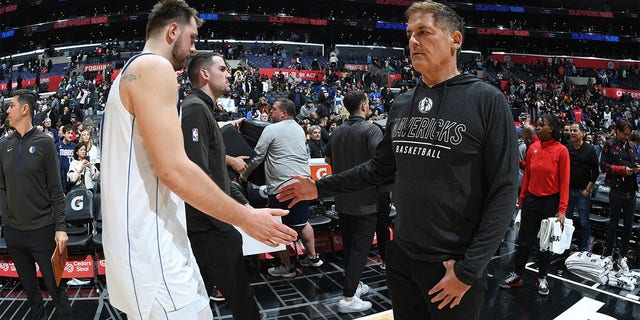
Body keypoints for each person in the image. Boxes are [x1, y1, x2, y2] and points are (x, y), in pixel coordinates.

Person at [277, 1, 518, 318]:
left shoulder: (487, 100)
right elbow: (379, 169)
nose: (413, 42)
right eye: (409, 35)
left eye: (424, 32)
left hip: (451, 263)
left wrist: (469, 270)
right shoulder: (403, 102)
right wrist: (318, 188)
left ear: (455, 40)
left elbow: (504, 190)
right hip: (402, 257)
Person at [100, 1, 296, 319]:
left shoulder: (128, 73)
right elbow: (175, 169)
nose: (193, 47)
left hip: (141, 248)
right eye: (191, 38)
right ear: (172, 30)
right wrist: (246, 218)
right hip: (154, 251)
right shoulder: (154, 68)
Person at [180, 52, 260, 319]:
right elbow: (197, 173)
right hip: (209, 226)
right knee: (242, 302)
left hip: (211, 223)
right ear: (204, 74)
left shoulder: (202, 109)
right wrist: (226, 221)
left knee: (214, 299)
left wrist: (244, 206)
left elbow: (215, 173)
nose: (229, 74)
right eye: (223, 69)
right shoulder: (194, 109)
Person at [0, 89, 72, 319]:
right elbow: (1, 187)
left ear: (25, 109)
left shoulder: (45, 143)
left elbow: (56, 189)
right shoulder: (4, 145)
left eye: (11, 106)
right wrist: (6, 220)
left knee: (56, 290)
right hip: (15, 233)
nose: (7, 110)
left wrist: (60, 227)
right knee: (31, 294)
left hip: (43, 231)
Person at [241, 98, 323, 278]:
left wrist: (244, 176)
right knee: (302, 223)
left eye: (274, 110)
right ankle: (313, 257)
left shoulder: (271, 129)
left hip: (281, 187)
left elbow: (257, 156)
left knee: (279, 227)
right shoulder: (300, 129)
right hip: (303, 184)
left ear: (284, 113)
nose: (271, 112)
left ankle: (287, 266)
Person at [324, 91, 383, 313]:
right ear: (364, 106)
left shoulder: (337, 131)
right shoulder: (371, 129)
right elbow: (381, 161)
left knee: (349, 246)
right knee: (360, 249)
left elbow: (328, 159)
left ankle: (355, 284)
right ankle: (348, 298)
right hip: (365, 198)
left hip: (342, 198)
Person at [500, 114, 570, 296]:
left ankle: (542, 277)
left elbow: (564, 183)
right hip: (531, 199)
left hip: (550, 202)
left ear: (552, 128)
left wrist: (561, 210)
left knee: (545, 243)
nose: (537, 128)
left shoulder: (562, 151)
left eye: (541, 125)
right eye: (537, 125)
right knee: (524, 240)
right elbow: (528, 177)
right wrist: (522, 200)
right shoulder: (533, 148)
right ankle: (517, 274)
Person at [600, 118, 640, 271]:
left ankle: (622, 256)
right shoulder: (609, 145)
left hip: (631, 191)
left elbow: (636, 161)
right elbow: (603, 166)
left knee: (628, 226)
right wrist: (621, 170)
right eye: (624, 134)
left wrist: (637, 168)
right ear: (617, 131)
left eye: (629, 134)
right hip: (616, 190)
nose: (627, 137)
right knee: (613, 224)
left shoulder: (631, 146)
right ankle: (609, 254)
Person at [565, 121, 598, 252]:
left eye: (574, 131)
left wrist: (587, 190)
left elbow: (595, 172)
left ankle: (585, 248)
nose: (571, 133)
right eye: (570, 131)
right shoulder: (566, 148)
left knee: (584, 222)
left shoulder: (590, 149)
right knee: (566, 222)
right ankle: (564, 245)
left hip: (582, 192)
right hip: (568, 190)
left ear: (582, 133)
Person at [56, 124, 75, 193]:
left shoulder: (74, 146)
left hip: (72, 178)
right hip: (61, 177)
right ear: (63, 134)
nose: (70, 135)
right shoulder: (57, 146)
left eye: (71, 133)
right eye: (68, 133)